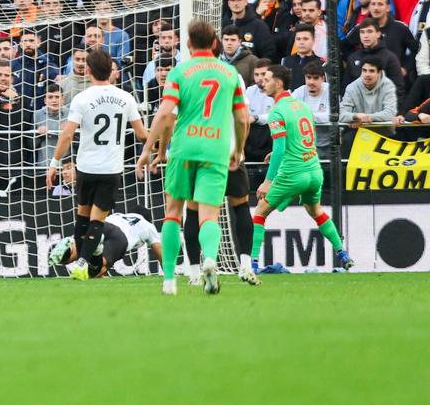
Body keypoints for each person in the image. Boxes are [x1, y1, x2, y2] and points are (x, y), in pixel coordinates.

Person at [135, 20, 249, 296]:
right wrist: (239, 149)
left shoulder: (179, 72)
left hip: (184, 149)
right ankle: (210, 258)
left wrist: (149, 150)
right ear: (214, 43)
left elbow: (164, 116)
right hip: (216, 149)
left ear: (187, 44)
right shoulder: (229, 72)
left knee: (173, 213)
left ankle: (170, 280)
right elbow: (242, 118)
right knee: (209, 214)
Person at [45, 48, 147, 280]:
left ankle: (83, 263)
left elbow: (67, 135)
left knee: (82, 218)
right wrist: (160, 144)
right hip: (110, 170)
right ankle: (84, 263)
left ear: (88, 70)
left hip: (86, 168)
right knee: (96, 221)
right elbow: (141, 135)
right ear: (111, 70)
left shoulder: (82, 98)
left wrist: (54, 163)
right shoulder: (125, 97)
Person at [251, 64, 353, 271]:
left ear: (278, 83)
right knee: (315, 210)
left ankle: (251, 263)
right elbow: (304, 138)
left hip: (293, 172)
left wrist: (267, 182)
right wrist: (282, 151)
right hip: (314, 170)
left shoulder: (277, 112)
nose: (263, 82)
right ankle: (343, 254)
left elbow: (279, 149)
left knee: (260, 211)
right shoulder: (302, 106)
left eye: (267, 79)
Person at [48, 212, 163, 279]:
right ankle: (97, 252)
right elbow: (160, 252)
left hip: (105, 225)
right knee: (96, 271)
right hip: (121, 237)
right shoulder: (148, 225)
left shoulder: (120, 215)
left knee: (77, 250)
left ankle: (71, 244)